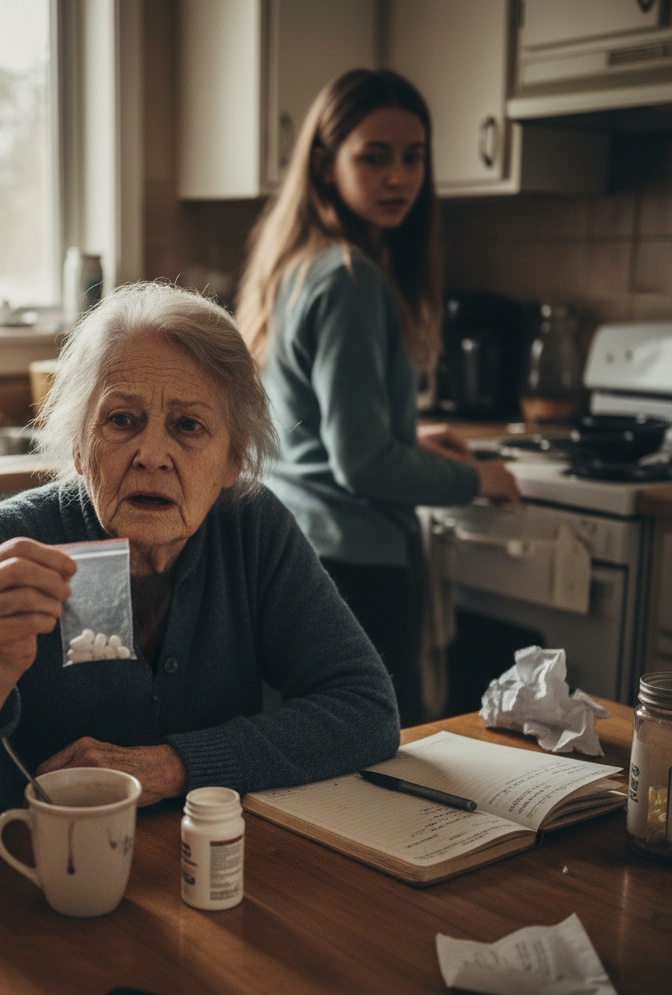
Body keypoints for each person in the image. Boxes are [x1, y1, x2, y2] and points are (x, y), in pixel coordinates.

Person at [0, 281, 400, 850]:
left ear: (233, 459)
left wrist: (172, 766)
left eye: (188, 426)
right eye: (122, 420)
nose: (152, 455)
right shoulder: (2, 544)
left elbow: (366, 708)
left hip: (200, 874)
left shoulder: (250, 528)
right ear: (80, 444)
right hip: (22, 886)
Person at [236, 69, 519, 728]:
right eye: (375, 156)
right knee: (377, 751)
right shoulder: (352, 280)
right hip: (356, 565)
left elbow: (308, 429)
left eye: (413, 157)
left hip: (301, 548)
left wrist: (407, 442)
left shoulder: (299, 264)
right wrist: (475, 477)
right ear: (326, 164)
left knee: (318, 750)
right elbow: (361, 464)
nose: (399, 177)